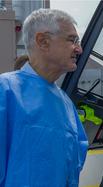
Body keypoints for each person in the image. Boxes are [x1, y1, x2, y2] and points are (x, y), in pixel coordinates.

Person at [0, 9, 88, 186]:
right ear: (43, 41)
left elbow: (72, 169)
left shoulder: (66, 104)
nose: (79, 49)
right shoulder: (6, 90)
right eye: (72, 40)